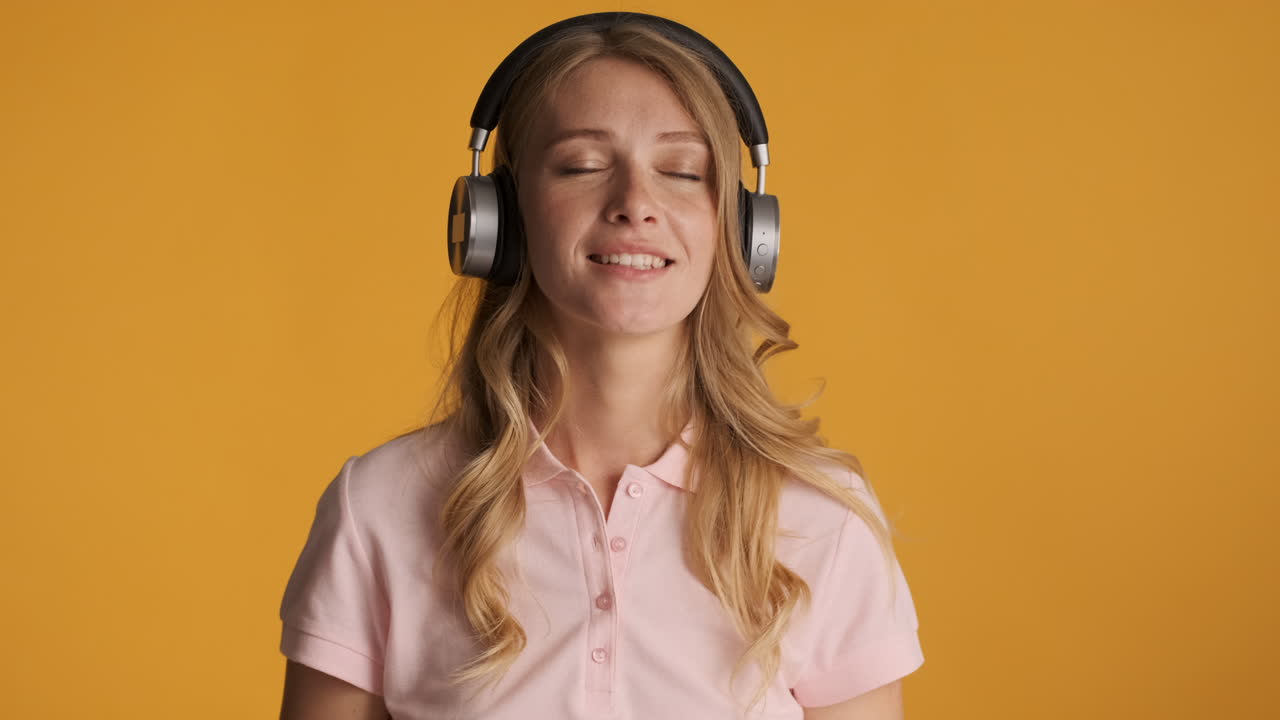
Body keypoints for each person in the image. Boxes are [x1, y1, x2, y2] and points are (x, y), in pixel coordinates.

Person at [278, 12, 924, 720]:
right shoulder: (377, 506)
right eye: (583, 166)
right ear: (502, 218)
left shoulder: (822, 518)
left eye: (681, 171)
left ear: (739, 229)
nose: (635, 206)